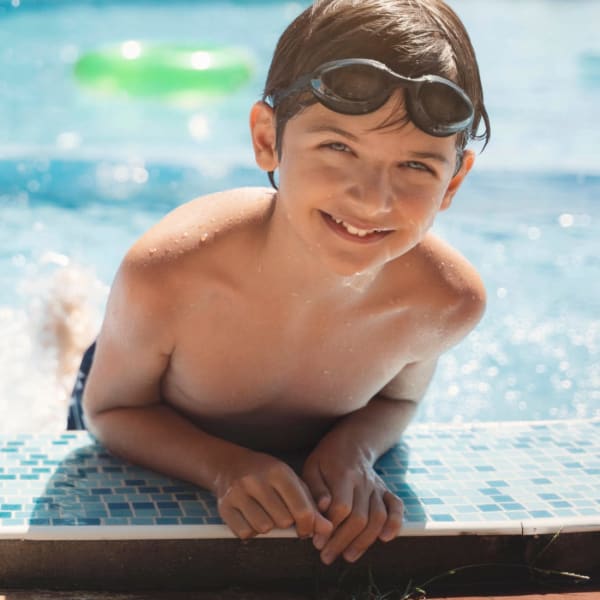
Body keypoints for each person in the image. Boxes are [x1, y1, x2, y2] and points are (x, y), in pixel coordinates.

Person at [68, 0, 490, 566]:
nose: (372, 199)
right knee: (76, 351)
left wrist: (353, 449)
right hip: (139, 404)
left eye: (416, 166)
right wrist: (224, 467)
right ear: (268, 138)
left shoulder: (443, 302)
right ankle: (67, 316)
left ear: (453, 181)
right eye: (338, 147)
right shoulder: (174, 271)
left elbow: (396, 400)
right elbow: (111, 414)